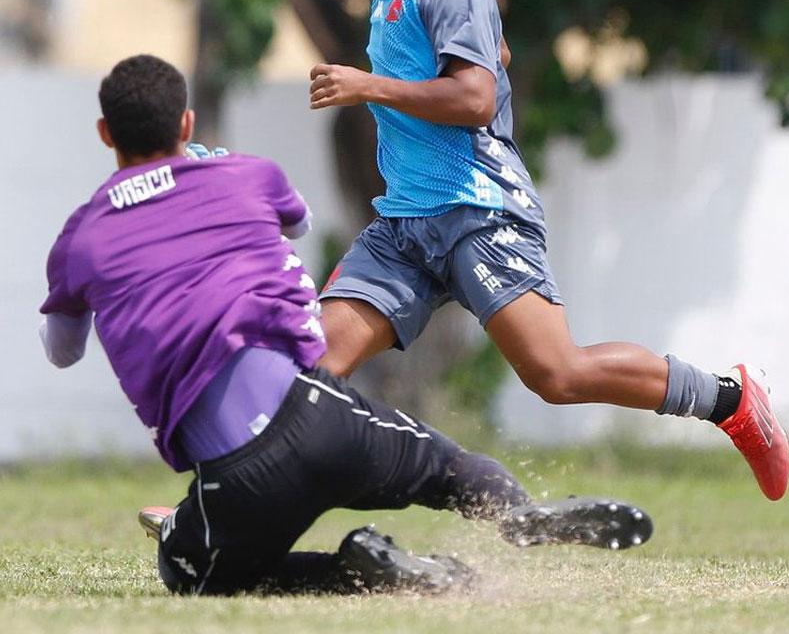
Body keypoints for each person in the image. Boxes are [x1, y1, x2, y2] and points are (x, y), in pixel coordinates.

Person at [39, 55, 653, 596]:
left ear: (104, 134)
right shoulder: (246, 175)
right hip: (320, 411)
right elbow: (296, 223)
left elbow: (62, 352)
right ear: (187, 126)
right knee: (447, 470)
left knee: (193, 573)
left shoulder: (84, 235)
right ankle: (517, 511)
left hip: (238, 478)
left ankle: (358, 570)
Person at [308, 0, 789, 501]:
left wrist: (371, 86)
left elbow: (473, 98)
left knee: (558, 376)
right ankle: (221, 508)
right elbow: (484, 54)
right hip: (406, 225)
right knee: (308, 364)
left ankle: (729, 400)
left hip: (479, 212)